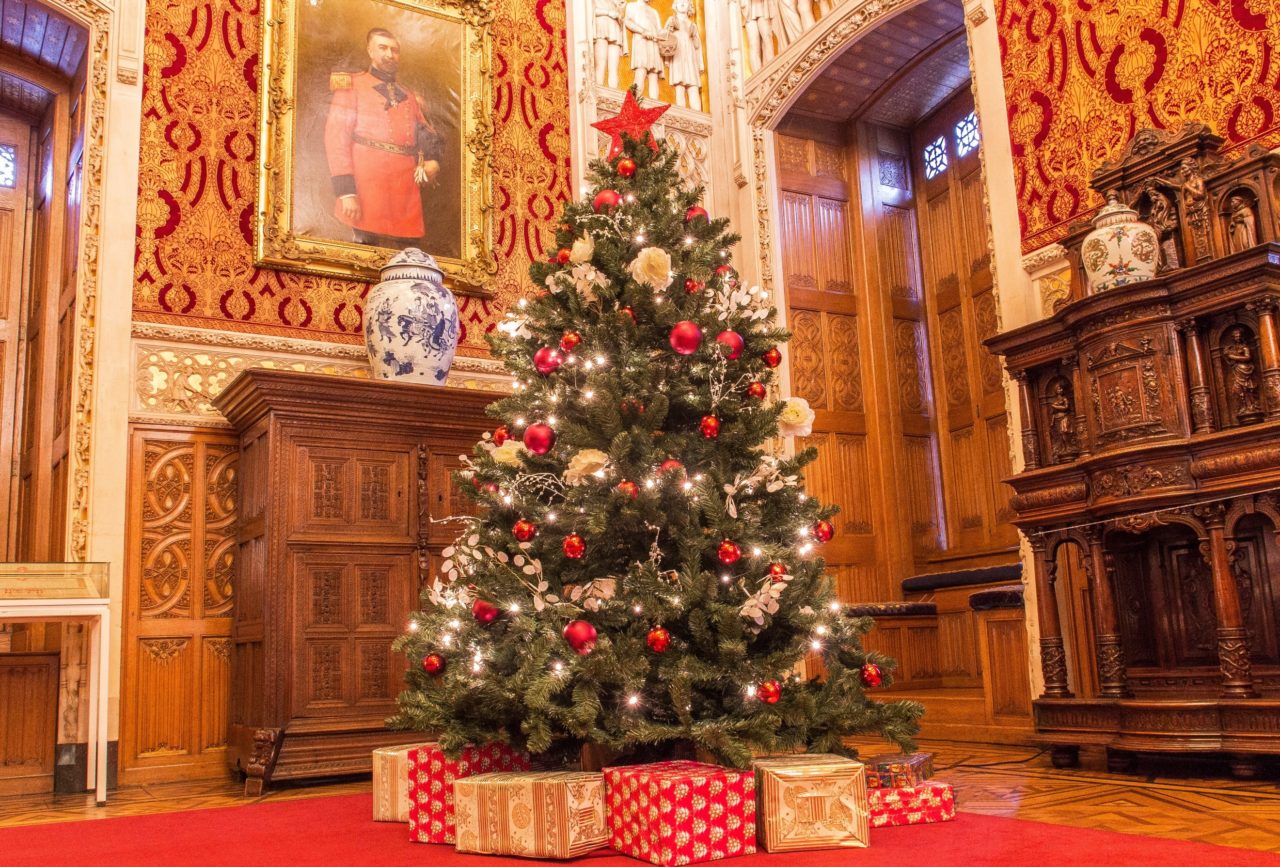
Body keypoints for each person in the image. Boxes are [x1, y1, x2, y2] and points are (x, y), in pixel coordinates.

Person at [324, 27, 441, 248]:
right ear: (370, 51)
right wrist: (346, 192)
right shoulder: (352, 85)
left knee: (408, 256)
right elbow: (336, 139)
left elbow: (425, 132)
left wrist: (433, 160)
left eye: (394, 50)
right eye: (383, 48)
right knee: (365, 253)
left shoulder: (409, 95)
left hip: (404, 192)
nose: (389, 54)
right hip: (366, 189)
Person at [664, 0, 704, 111]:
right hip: (677, 55)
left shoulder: (692, 24)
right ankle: (681, 113)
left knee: (693, 86)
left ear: (689, 6)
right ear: (675, 6)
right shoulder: (672, 20)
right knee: (679, 85)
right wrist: (670, 29)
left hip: (690, 56)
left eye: (685, 2)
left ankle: (697, 114)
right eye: (679, 2)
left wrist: (694, 36)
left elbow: (697, 45)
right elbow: (665, 38)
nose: (682, 4)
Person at [625, 0, 663, 100]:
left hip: (654, 44)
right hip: (641, 41)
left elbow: (659, 30)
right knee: (641, 71)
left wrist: (667, 32)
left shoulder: (654, 11)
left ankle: (654, 104)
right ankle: (633, 102)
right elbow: (627, 21)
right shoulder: (632, 6)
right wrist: (643, 31)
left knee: (654, 75)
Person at [593, 0, 626, 88]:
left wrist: (620, 8)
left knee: (614, 68)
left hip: (614, 28)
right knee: (600, 65)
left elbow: (621, 17)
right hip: (601, 27)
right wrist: (608, 12)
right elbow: (591, 11)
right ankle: (598, 90)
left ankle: (613, 91)